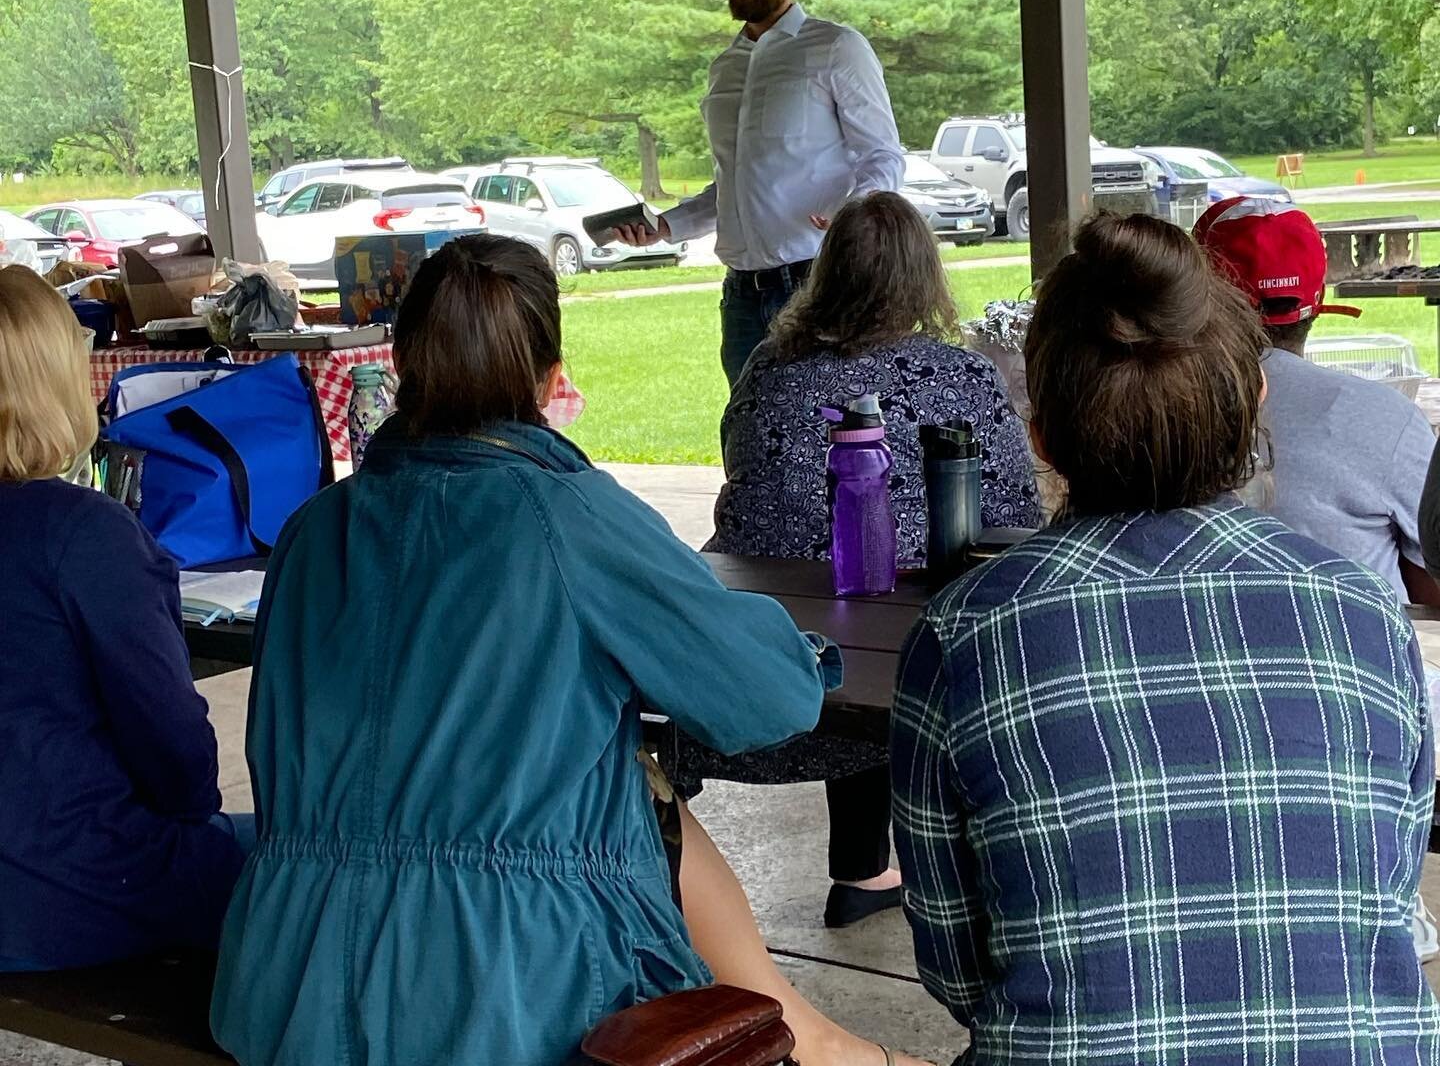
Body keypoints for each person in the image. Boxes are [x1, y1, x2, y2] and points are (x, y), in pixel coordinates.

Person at [211, 234, 920, 1066]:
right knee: (645, 793)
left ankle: (819, 1039)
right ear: (552, 379)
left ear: (400, 366)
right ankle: (822, 1042)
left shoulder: (311, 529)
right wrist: (781, 641)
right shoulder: (569, 514)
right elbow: (770, 701)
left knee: (631, 790)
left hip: (285, 981)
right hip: (501, 997)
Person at [892, 212, 1440, 1065]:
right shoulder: (1358, 610)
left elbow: (957, 963)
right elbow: (1384, 891)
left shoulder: (969, 631)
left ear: (1040, 435)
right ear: (1257, 400)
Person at [694, 193, 1039, 929]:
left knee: (847, 596)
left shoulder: (767, 369)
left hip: (752, 636)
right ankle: (904, 864)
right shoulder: (962, 376)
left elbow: (742, 471)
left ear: (829, 271)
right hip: (883, 656)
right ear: (924, 277)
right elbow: (1017, 515)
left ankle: (863, 867)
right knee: (916, 608)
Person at [0, 263, 248, 971]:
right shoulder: (82, 535)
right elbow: (179, 764)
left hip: (42, 872)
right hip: (66, 891)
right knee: (321, 877)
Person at [616, 0, 904, 387]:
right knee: (747, 439)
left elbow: (884, 157)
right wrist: (666, 227)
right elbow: (732, 184)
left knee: (828, 435)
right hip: (742, 296)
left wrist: (853, 212)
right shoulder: (724, 67)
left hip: (817, 284)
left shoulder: (835, 47)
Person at [1195, 196, 1440, 608]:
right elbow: (1431, 588)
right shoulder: (1387, 417)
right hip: (1357, 660)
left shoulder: (1152, 416)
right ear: (1319, 296)